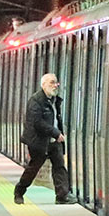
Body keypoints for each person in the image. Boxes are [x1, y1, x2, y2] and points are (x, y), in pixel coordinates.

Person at [15, 72, 73, 205]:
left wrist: (56, 134)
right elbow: (37, 122)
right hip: (39, 142)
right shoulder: (35, 101)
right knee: (34, 168)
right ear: (43, 85)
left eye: (56, 82)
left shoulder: (55, 100)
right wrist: (56, 133)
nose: (55, 85)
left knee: (59, 167)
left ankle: (62, 196)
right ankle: (19, 190)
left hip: (53, 141)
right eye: (51, 82)